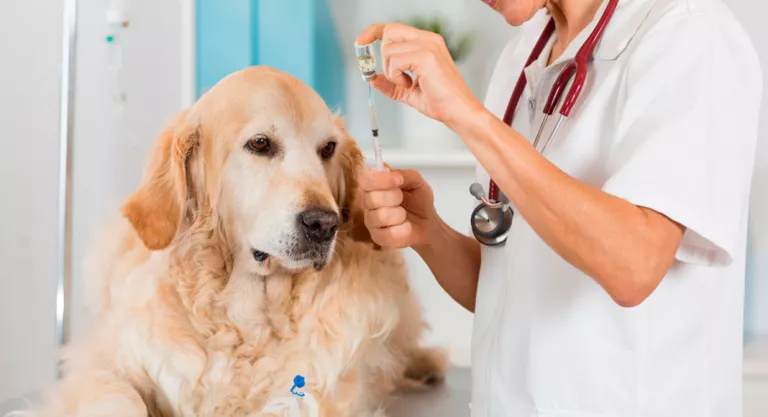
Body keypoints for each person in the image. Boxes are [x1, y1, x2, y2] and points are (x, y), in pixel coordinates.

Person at [353, 0, 763, 416]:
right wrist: (429, 233)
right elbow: (509, 286)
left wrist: (468, 116)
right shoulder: (522, 56)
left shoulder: (691, 37)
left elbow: (634, 266)